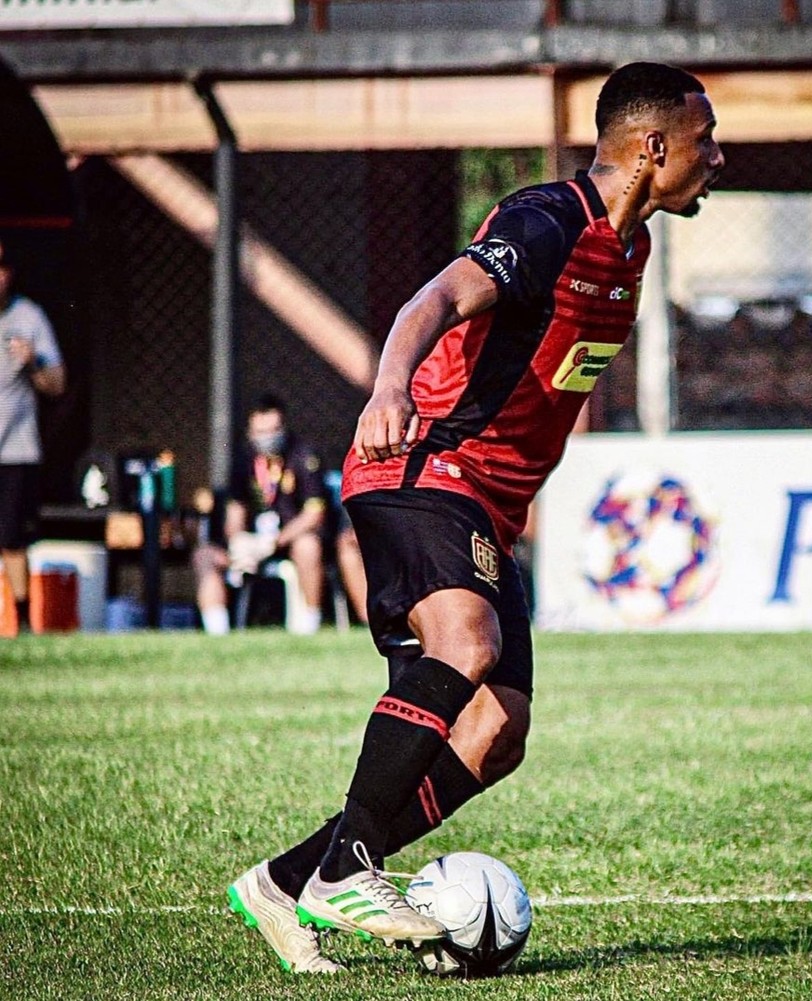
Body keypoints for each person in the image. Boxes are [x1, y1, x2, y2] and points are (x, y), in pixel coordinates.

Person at [227, 62, 724, 972]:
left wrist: (517, 501)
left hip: (484, 503)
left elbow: (551, 383)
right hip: (422, 461)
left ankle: (289, 879)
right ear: (653, 148)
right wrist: (387, 387)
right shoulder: (547, 221)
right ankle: (350, 869)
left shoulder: (633, 250)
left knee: (498, 732)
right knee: (466, 642)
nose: (715, 157)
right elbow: (437, 299)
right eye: (705, 140)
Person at [193, 393, 326, 636]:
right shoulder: (244, 461)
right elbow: (235, 511)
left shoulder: (303, 456)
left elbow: (314, 514)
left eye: (273, 430)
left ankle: (310, 624)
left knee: (308, 546)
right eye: (261, 432)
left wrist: (274, 542)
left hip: (287, 541)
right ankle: (217, 632)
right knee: (204, 556)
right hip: (252, 545)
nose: (268, 439)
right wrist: (239, 541)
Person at [0, 240, 66, 634]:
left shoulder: (29, 317)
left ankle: (22, 621)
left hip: (14, 450)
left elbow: (57, 383)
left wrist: (33, 362)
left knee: (11, 538)